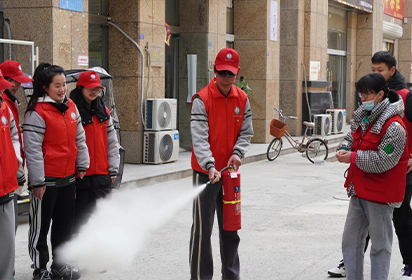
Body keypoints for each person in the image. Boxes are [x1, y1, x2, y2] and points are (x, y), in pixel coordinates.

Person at [328, 51, 412, 279]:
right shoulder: (361, 116)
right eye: (360, 95)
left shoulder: (395, 126)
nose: (362, 99)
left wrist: (352, 158)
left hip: (381, 195)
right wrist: (344, 148)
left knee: (380, 245)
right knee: (351, 240)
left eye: (366, 95)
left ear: (380, 95)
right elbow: (351, 136)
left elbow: (383, 161)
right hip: (359, 190)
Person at [190, 48, 253, 280]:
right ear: (214, 71)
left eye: (230, 74)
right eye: (222, 72)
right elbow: (199, 137)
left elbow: (246, 133)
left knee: (230, 229)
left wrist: (237, 154)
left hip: (230, 174)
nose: (226, 78)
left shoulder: (242, 99)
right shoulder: (202, 99)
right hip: (205, 174)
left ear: (236, 74)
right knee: (202, 231)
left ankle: (231, 276)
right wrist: (209, 165)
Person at [23, 63, 89, 280]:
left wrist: (82, 164)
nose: (62, 89)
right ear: (45, 87)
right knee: (40, 229)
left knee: (64, 226)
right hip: (46, 182)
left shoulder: (71, 107)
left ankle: (60, 265)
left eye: (64, 85)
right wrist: (37, 182)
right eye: (57, 86)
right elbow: (32, 150)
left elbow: (80, 137)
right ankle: (40, 269)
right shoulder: (37, 112)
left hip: (68, 179)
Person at [69, 70, 120, 233]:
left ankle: (99, 252)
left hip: (102, 176)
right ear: (80, 88)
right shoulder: (71, 111)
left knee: (102, 217)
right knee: (80, 219)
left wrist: (113, 168)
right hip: (80, 176)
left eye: (97, 88)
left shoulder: (104, 111)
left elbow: (112, 142)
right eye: (90, 88)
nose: (94, 91)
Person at [0, 60, 33, 232]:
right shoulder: (4, 102)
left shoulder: (9, 101)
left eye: (19, 82)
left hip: (11, 171)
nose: (17, 86)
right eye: (14, 81)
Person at [0, 69, 25, 280]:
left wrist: (17, 168)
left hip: (6, 185)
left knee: (7, 242)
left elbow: (14, 137)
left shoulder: (5, 108)